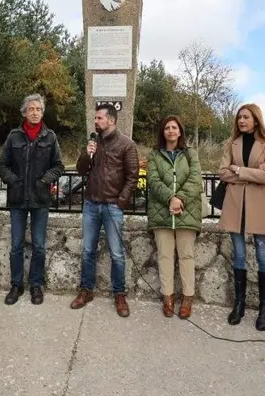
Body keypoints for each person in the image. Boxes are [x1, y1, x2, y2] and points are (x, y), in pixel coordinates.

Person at [71, 103, 139, 318]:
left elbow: (132, 176)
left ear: (111, 120)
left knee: (117, 254)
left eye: (99, 118)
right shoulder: (94, 142)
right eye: (95, 118)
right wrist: (86, 153)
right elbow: (82, 170)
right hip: (91, 204)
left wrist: (121, 201)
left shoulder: (126, 145)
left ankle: (119, 293)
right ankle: (86, 290)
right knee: (88, 251)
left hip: (112, 206)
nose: (96, 121)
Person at [0, 94, 64, 306]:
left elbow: (59, 166)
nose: (35, 112)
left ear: (42, 113)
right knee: (16, 245)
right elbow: (1, 165)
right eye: (31, 109)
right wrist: (13, 180)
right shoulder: (13, 136)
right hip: (17, 199)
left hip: (40, 199)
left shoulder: (50, 137)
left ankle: (35, 284)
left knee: (39, 246)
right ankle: (16, 284)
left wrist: (45, 180)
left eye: (38, 109)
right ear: (25, 112)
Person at [218, 103, 265, 331]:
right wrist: (242, 174)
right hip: (237, 203)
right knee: (238, 254)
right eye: (239, 117)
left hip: (261, 204)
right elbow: (222, 172)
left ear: (256, 119)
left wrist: (239, 171)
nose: (241, 121)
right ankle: (240, 304)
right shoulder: (231, 143)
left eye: (245, 117)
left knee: (263, 254)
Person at [146, 115, 203, 319]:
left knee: (187, 256)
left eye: (174, 127)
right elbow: (153, 180)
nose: (171, 131)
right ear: (163, 132)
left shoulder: (190, 154)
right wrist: (170, 198)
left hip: (186, 212)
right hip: (162, 213)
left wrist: (179, 199)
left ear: (180, 131)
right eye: (167, 127)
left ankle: (187, 298)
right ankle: (167, 296)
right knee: (165, 256)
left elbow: (196, 179)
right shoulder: (154, 155)